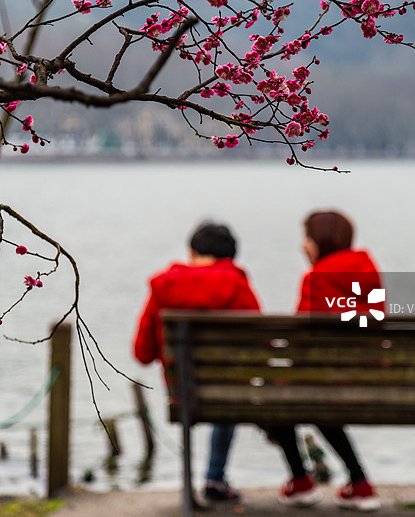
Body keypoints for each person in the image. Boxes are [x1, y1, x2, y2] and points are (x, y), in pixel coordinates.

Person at [133, 222, 261, 502]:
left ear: (192, 253)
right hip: (228, 392)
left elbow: (142, 353)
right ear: (230, 257)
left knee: (216, 390)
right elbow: (258, 346)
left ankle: (205, 483)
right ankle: (214, 479)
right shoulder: (237, 286)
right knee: (228, 391)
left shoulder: (163, 286)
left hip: (183, 393)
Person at [271, 209, 383, 512]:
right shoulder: (369, 272)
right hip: (372, 383)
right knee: (315, 394)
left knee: (275, 396)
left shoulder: (316, 279)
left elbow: (300, 345)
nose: (303, 245)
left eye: (307, 238)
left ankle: (300, 480)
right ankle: (359, 483)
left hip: (328, 383)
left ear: (322, 240)